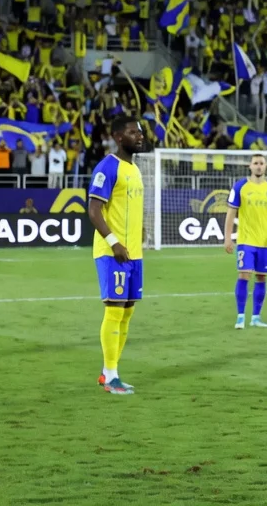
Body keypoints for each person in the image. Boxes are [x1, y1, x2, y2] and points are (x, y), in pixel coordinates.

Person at [86, 115, 146, 395]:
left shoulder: (134, 169)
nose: (140, 136)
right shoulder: (108, 167)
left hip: (134, 254)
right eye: (133, 132)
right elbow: (94, 210)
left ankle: (109, 372)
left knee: (127, 312)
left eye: (140, 132)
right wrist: (113, 243)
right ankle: (111, 376)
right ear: (119, 137)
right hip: (113, 253)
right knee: (114, 309)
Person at [224, 153, 267, 329]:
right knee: (244, 274)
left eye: (261, 163)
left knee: (261, 277)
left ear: (265, 166)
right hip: (246, 240)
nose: (258, 166)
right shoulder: (240, 187)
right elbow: (231, 213)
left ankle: (256, 317)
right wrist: (227, 237)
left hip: (265, 242)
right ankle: (240, 317)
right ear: (250, 166)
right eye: (255, 163)